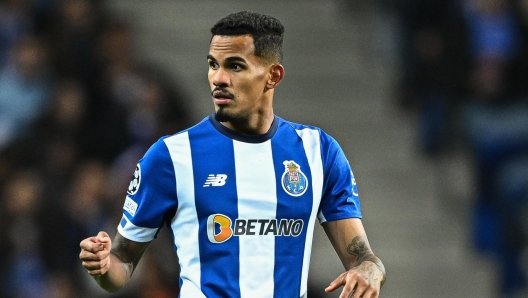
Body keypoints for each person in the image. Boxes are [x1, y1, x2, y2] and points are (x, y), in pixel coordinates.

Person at [79, 11, 386, 298]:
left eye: (234, 66)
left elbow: (361, 257)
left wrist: (369, 269)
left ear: (273, 76)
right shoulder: (172, 156)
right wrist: (104, 267)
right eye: (214, 64)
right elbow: (122, 260)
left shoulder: (318, 152)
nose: (218, 78)